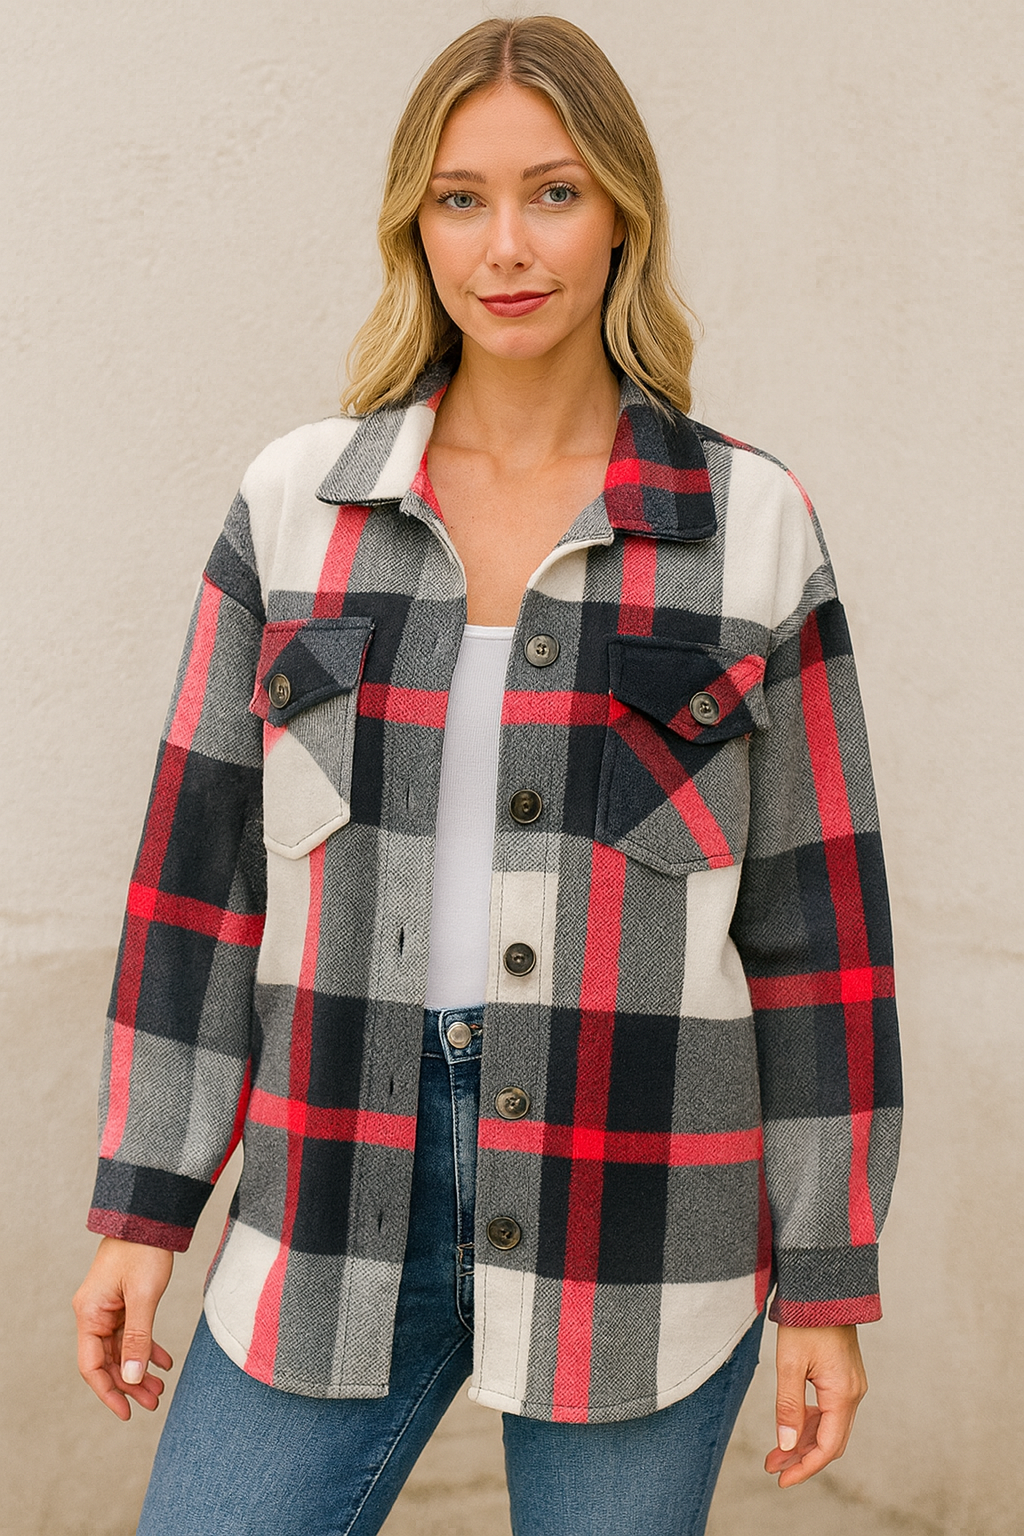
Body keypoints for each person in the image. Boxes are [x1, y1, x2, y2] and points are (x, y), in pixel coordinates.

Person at [72, 16, 901, 1535]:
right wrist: (146, 1201)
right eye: (461, 198)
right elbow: (203, 882)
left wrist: (827, 1277)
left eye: (554, 192)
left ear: (624, 216)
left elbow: (817, 942)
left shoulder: (751, 528)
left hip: (645, 1211)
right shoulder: (298, 510)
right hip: (328, 1185)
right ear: (414, 226)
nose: (506, 245)